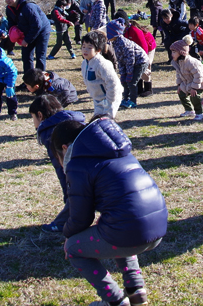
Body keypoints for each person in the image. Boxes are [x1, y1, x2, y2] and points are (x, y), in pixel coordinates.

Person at [53, 117, 167, 306]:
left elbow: (81, 217)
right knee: (113, 228)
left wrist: (67, 234)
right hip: (158, 228)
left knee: (73, 249)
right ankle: (136, 290)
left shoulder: (78, 164)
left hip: (128, 234)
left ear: (64, 149)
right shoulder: (117, 151)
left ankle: (115, 300)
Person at [30, 94, 85, 233]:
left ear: (40, 115)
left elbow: (62, 170)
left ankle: (65, 222)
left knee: (76, 196)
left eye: (33, 118)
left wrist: (68, 196)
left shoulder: (50, 134)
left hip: (79, 177)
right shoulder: (74, 120)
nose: (33, 123)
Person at [3, 0, 52, 73]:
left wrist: (27, 40)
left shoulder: (28, 7)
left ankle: (39, 81)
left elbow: (37, 25)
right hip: (27, 31)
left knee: (40, 56)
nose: (7, 0)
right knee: (26, 56)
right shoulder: (9, 9)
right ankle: (28, 81)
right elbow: (11, 23)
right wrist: (13, 33)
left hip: (42, 31)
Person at [106, 19, 149, 109]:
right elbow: (120, 60)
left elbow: (130, 59)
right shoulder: (115, 43)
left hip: (140, 62)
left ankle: (133, 101)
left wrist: (129, 73)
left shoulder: (124, 43)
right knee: (124, 81)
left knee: (132, 82)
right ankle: (125, 99)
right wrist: (123, 73)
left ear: (115, 33)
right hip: (131, 63)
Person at [80, 32, 122, 119]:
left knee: (106, 121)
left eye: (89, 47)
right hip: (97, 99)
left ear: (98, 50)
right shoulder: (85, 63)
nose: (85, 50)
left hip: (108, 98)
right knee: (97, 119)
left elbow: (113, 83)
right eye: (83, 47)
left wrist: (110, 101)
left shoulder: (102, 64)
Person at [171, 35, 203, 121]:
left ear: (181, 52)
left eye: (174, 52)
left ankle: (199, 113)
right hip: (190, 82)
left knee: (194, 95)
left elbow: (198, 75)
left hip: (202, 81)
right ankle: (189, 110)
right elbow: (179, 74)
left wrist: (194, 88)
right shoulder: (177, 62)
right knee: (181, 93)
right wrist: (179, 85)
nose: (172, 54)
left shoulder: (191, 62)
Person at [124, 20, 157, 98]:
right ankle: (139, 88)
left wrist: (144, 60)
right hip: (137, 49)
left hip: (148, 47)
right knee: (136, 66)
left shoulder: (134, 30)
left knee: (146, 65)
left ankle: (148, 88)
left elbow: (144, 46)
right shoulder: (124, 31)